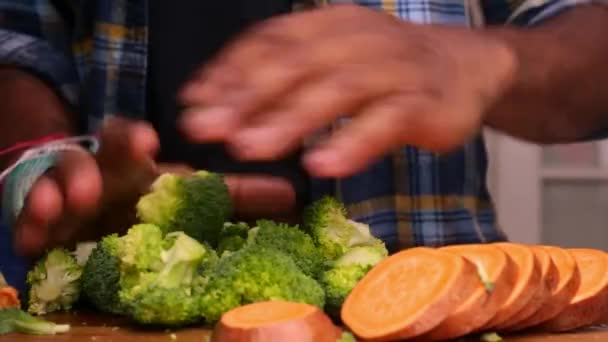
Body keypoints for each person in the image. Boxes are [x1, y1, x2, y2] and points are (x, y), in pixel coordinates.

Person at [0, 0, 607, 291]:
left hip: (439, 302)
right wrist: (44, 160)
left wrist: (493, 60)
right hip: (118, 309)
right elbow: (19, 32)